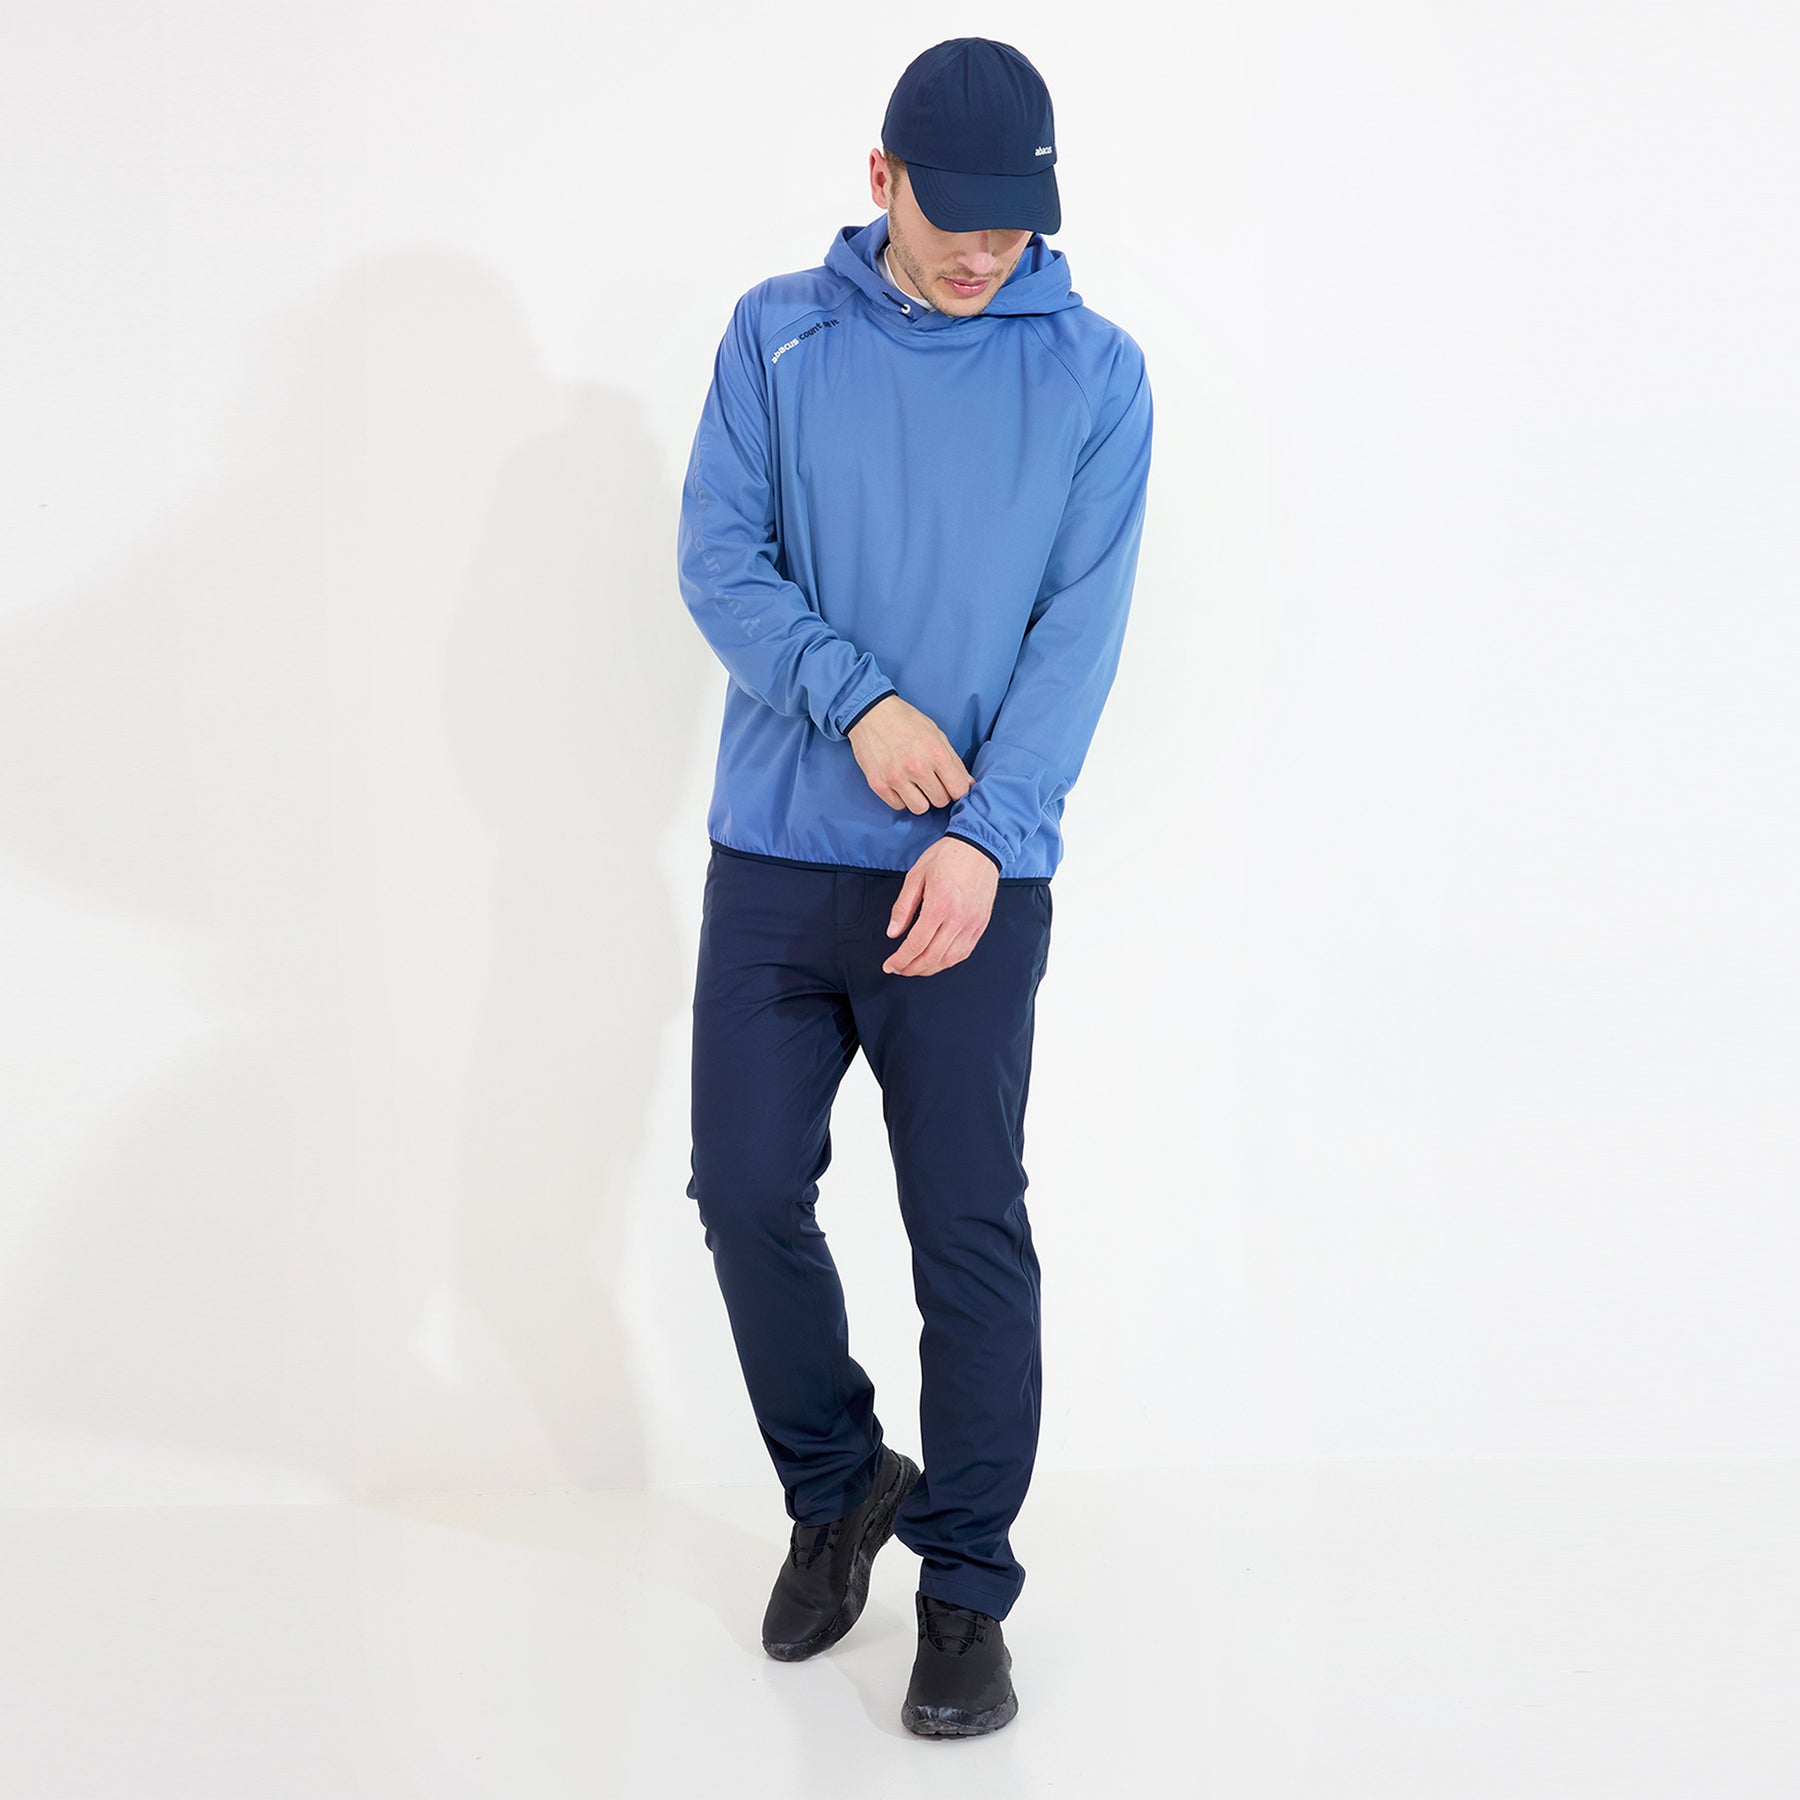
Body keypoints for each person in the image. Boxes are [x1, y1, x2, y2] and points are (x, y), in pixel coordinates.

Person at [676, 36, 1153, 1738]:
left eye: (1017, 222)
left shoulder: (1095, 373)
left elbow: (1077, 633)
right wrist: (857, 701)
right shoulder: (775, 335)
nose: (986, 251)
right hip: (774, 856)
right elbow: (719, 559)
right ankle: (839, 1487)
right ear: (881, 181)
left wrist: (987, 833)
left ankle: (965, 1590)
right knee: (744, 1191)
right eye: (957, 217)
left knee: (965, 1229)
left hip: (968, 875)